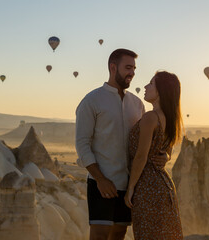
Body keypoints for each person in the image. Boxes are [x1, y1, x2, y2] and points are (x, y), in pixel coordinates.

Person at [75, 49, 169, 240]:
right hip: (101, 183)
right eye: (128, 67)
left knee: (119, 234)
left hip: (130, 184)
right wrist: (100, 179)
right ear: (112, 67)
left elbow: (150, 139)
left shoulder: (137, 104)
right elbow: (82, 144)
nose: (132, 73)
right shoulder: (91, 101)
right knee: (100, 235)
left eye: (134, 68)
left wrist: (166, 155)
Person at [124, 71, 184, 239]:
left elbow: (141, 157)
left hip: (148, 187)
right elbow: (168, 151)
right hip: (165, 187)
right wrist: (167, 158)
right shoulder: (170, 118)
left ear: (160, 91)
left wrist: (130, 188)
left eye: (150, 84)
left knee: (147, 234)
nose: (145, 86)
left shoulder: (151, 118)